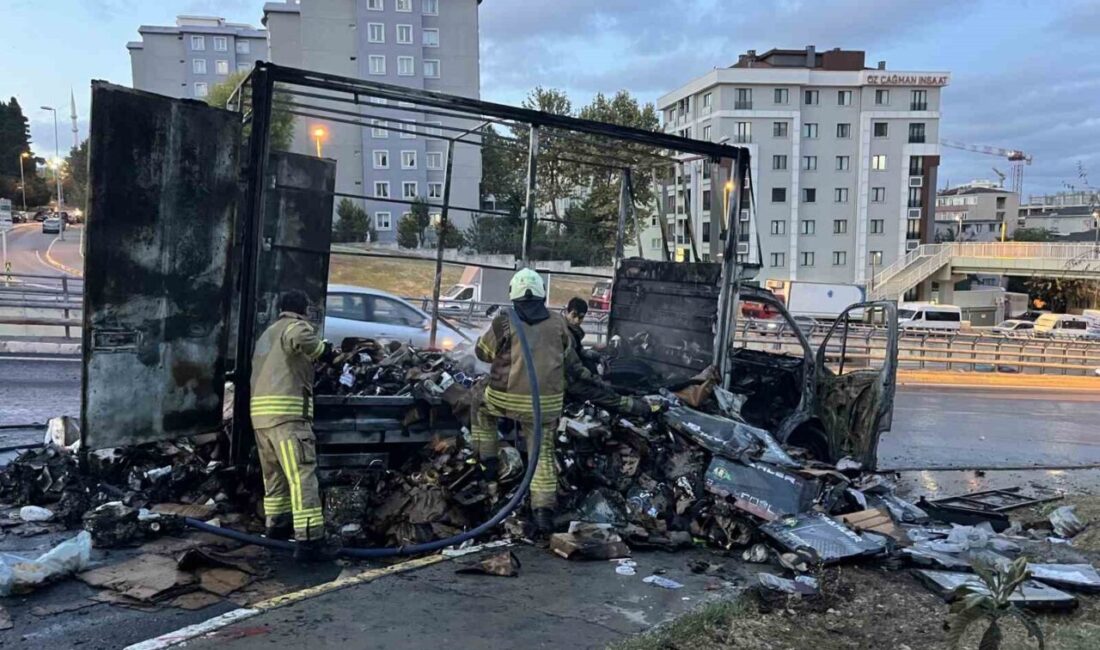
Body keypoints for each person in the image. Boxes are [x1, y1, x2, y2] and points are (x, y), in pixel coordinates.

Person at [471, 269, 573, 535]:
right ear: (542, 293)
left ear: (512, 294)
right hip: (548, 404)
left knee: (480, 407)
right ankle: (543, 513)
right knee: (542, 451)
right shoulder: (559, 321)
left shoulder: (504, 321)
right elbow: (568, 353)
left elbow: (483, 353)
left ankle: (489, 466)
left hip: (507, 399)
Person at [250, 289, 332, 561]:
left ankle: (276, 527)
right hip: (288, 419)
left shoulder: (267, 334)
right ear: (304, 310)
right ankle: (309, 542)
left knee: (274, 477)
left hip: (261, 419)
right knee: (301, 476)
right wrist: (324, 351)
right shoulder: (295, 327)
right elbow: (308, 343)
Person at [563, 296, 651, 417]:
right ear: (567, 312)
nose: (577, 320)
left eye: (581, 317)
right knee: (607, 395)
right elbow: (575, 368)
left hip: (569, 379)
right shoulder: (566, 334)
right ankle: (645, 409)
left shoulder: (567, 331)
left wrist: (596, 356)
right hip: (570, 382)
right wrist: (597, 381)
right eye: (574, 315)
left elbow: (579, 351)